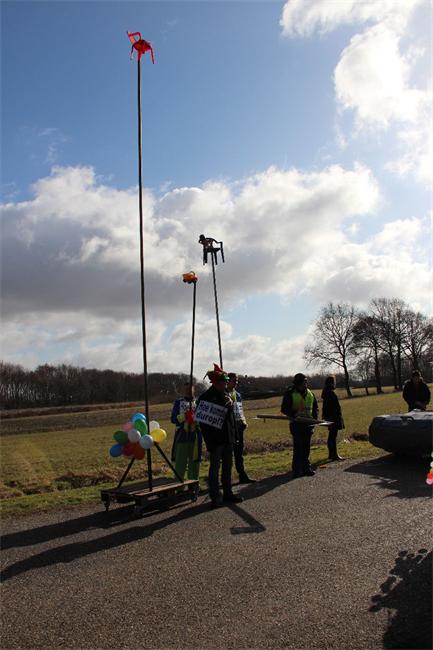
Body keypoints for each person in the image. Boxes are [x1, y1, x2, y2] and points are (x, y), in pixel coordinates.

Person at [195, 364, 243, 508]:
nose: (226, 384)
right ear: (215, 382)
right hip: (215, 440)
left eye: (226, 382)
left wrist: (234, 435)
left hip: (228, 437)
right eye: (223, 382)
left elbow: (231, 419)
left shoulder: (227, 395)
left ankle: (228, 493)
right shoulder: (205, 398)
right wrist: (210, 441)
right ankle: (215, 496)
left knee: (228, 467)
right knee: (214, 469)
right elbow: (203, 423)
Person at [281, 373, 318, 478]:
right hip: (296, 424)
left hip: (308, 424)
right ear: (297, 384)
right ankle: (297, 470)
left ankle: (306, 468)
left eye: (305, 382)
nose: (305, 384)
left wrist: (315, 419)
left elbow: (315, 408)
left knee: (306, 448)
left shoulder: (310, 393)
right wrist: (294, 414)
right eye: (303, 382)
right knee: (298, 448)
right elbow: (284, 408)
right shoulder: (290, 393)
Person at [227, 372, 255, 484]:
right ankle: (227, 478)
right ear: (228, 381)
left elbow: (240, 410)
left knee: (239, 454)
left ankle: (242, 475)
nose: (236, 383)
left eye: (237, 381)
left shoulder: (238, 395)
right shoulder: (223, 393)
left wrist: (243, 422)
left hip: (238, 427)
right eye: (234, 381)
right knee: (228, 455)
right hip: (229, 428)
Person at [171, 383, 202, 481]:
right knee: (180, 463)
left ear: (194, 389)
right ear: (183, 390)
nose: (188, 391)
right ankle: (178, 485)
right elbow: (173, 419)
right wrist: (184, 416)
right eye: (186, 389)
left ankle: (194, 484)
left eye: (190, 389)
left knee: (195, 463)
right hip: (182, 436)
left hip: (195, 437)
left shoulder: (198, 403)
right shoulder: (178, 402)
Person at [321, 376, 344, 461]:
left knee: (332, 436)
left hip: (330, 417)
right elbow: (332, 407)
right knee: (333, 436)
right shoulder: (330, 393)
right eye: (334, 382)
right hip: (333, 418)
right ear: (331, 383)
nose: (335, 383)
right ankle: (334, 455)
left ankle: (332, 454)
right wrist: (334, 418)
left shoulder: (326, 392)